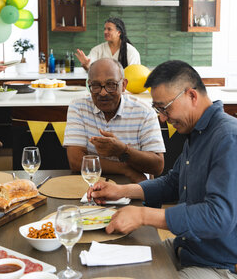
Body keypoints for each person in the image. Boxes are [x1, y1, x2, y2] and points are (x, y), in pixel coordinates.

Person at [88, 60, 237, 279]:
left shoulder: (228, 138)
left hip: (217, 265)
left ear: (191, 96)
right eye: (158, 109)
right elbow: (173, 182)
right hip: (185, 248)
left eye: (164, 108)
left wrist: (143, 214)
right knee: (111, 264)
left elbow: (218, 217)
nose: (162, 118)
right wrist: (122, 191)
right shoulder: (198, 132)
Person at [64, 58, 165, 183]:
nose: (103, 92)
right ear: (89, 84)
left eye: (111, 85)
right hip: (91, 186)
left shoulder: (144, 111)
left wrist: (122, 150)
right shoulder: (79, 107)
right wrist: (125, 169)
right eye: (95, 86)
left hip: (134, 187)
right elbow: (76, 161)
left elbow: (157, 166)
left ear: (124, 85)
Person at [75, 17, 141, 71]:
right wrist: (86, 64)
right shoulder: (97, 50)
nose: (105, 32)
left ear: (119, 32)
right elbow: (90, 68)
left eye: (109, 29)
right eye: (105, 29)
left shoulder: (131, 51)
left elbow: (133, 73)